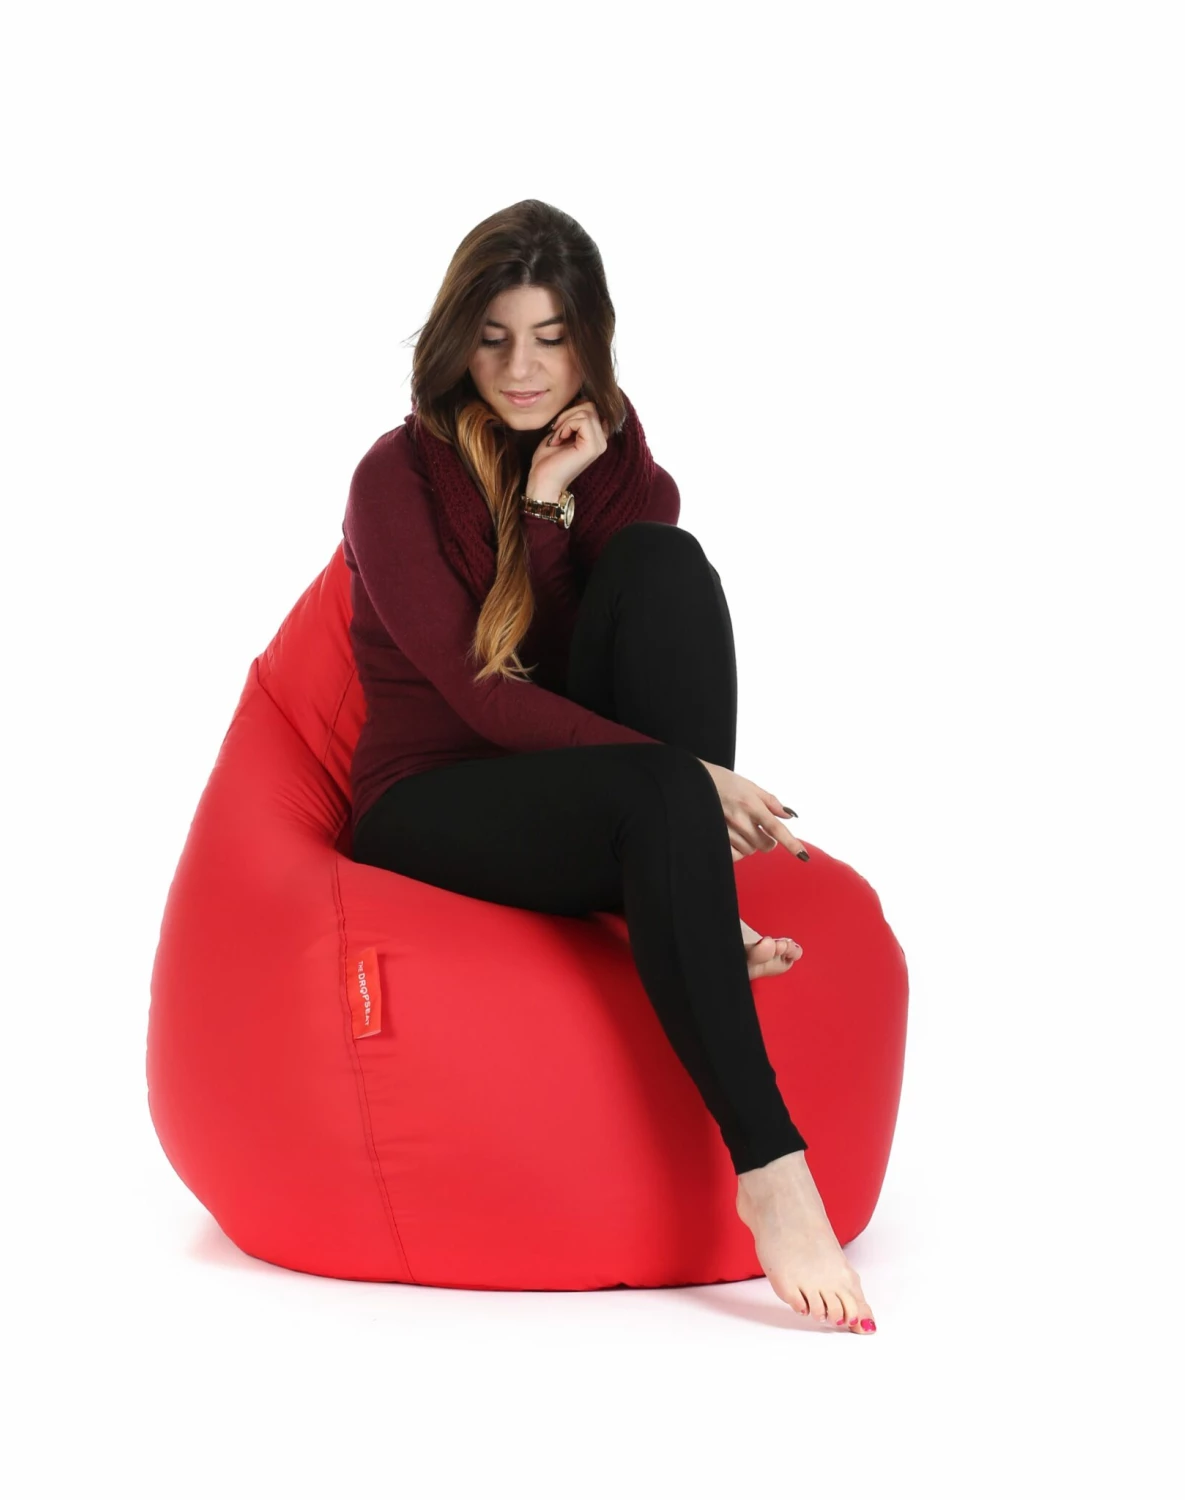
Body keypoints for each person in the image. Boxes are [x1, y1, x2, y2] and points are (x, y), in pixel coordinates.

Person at [343, 199, 877, 1334]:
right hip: (431, 795)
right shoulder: (396, 478)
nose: (522, 370)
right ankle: (773, 1171)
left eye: (551, 337)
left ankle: (683, 884)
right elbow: (488, 694)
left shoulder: (618, 461)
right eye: (494, 338)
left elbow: (585, 670)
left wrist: (561, 497)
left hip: (569, 783)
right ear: (456, 340)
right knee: (663, 786)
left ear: (591, 342)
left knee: (665, 564)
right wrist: (689, 776)